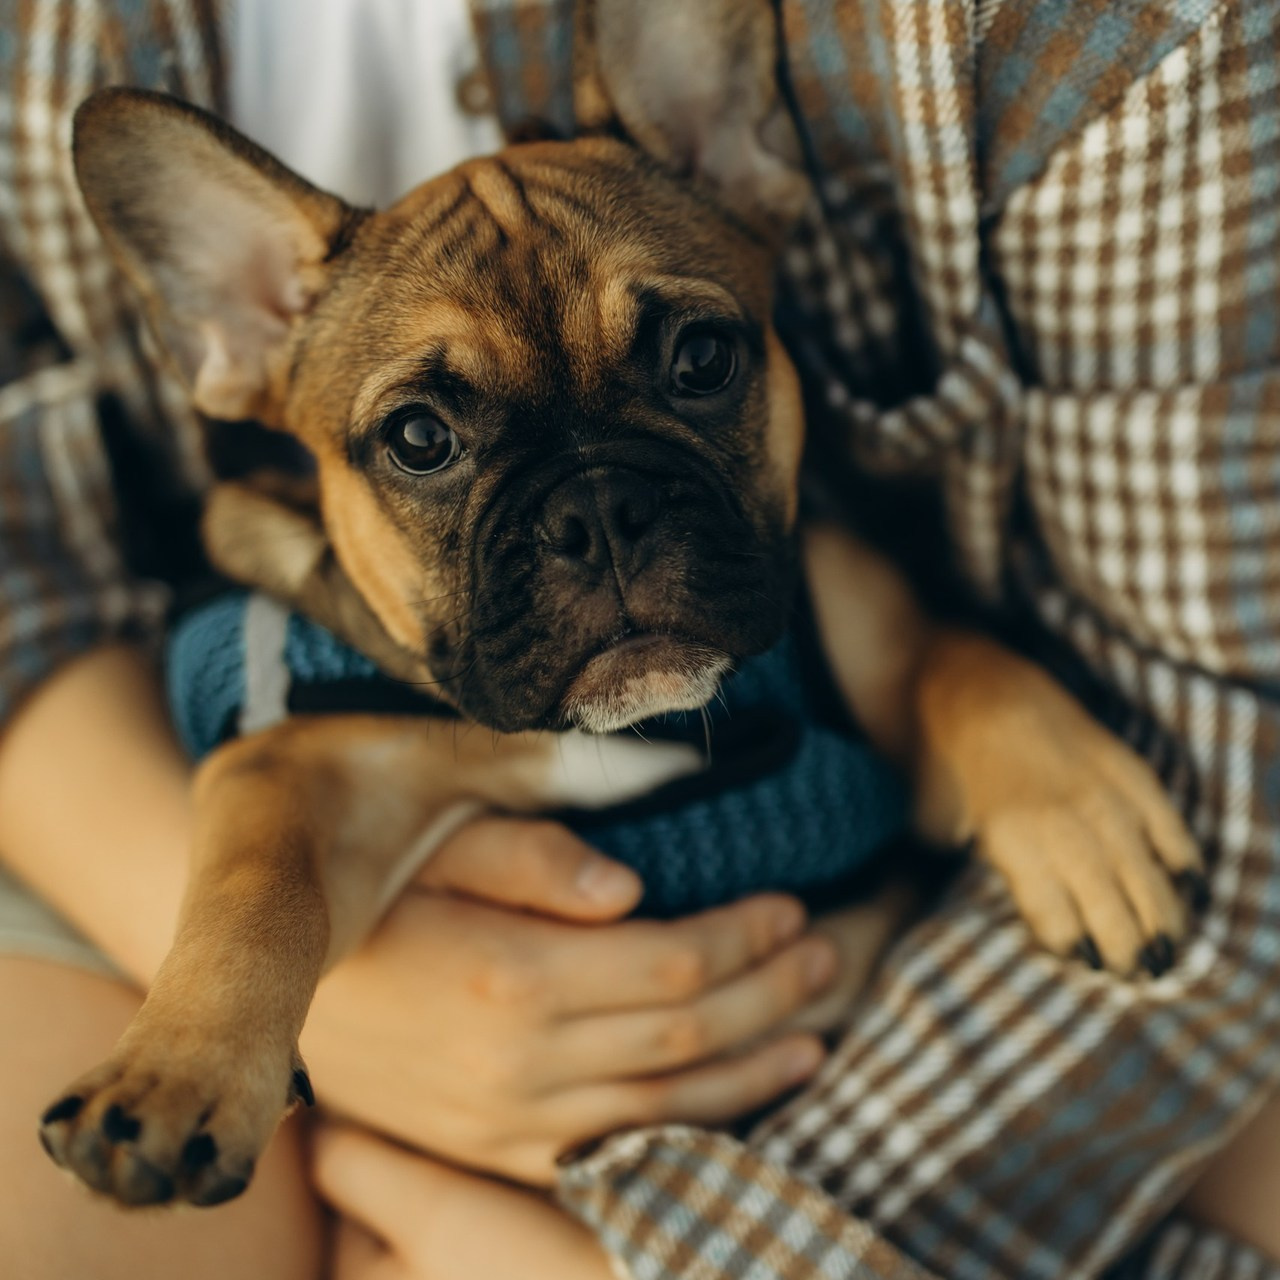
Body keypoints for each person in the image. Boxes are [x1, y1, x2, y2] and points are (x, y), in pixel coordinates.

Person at [1, 2, 1278, 1278]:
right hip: (387, 1083)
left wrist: (999, 720)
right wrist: (225, 1024)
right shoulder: (328, 671)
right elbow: (281, 814)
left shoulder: (824, 597)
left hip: (839, 1046)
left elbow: (931, 672)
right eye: (426, 439)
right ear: (242, 334)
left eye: (694, 361)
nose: (597, 521)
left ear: (738, 177)